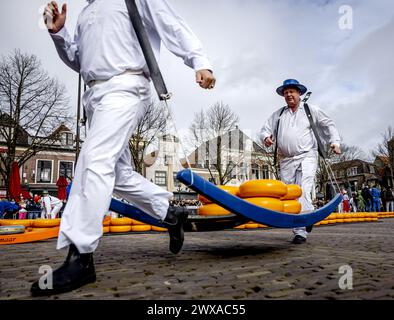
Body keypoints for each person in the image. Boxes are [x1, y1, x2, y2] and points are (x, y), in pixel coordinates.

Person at [31, 0, 215, 296]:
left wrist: (199, 60)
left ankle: (80, 258)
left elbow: (170, 22)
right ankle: (170, 213)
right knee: (117, 173)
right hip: (94, 95)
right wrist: (59, 33)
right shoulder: (87, 12)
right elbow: (79, 59)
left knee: (94, 161)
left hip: (127, 87)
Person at [260, 79, 341, 244]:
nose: (289, 95)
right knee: (291, 195)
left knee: (303, 189)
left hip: (307, 156)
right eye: (286, 92)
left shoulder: (310, 110)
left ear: (299, 93)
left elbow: (328, 124)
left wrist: (335, 142)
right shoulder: (279, 114)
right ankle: (309, 215)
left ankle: (300, 231)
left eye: (292, 91)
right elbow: (264, 129)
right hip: (286, 160)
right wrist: (266, 138)